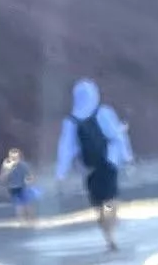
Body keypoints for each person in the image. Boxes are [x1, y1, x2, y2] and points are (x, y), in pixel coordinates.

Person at [53, 78, 131, 252]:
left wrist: (61, 173)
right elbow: (117, 136)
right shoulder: (104, 112)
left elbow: (66, 149)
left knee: (98, 205)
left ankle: (108, 237)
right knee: (111, 201)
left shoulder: (71, 121)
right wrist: (127, 156)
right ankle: (112, 231)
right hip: (109, 163)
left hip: (89, 169)